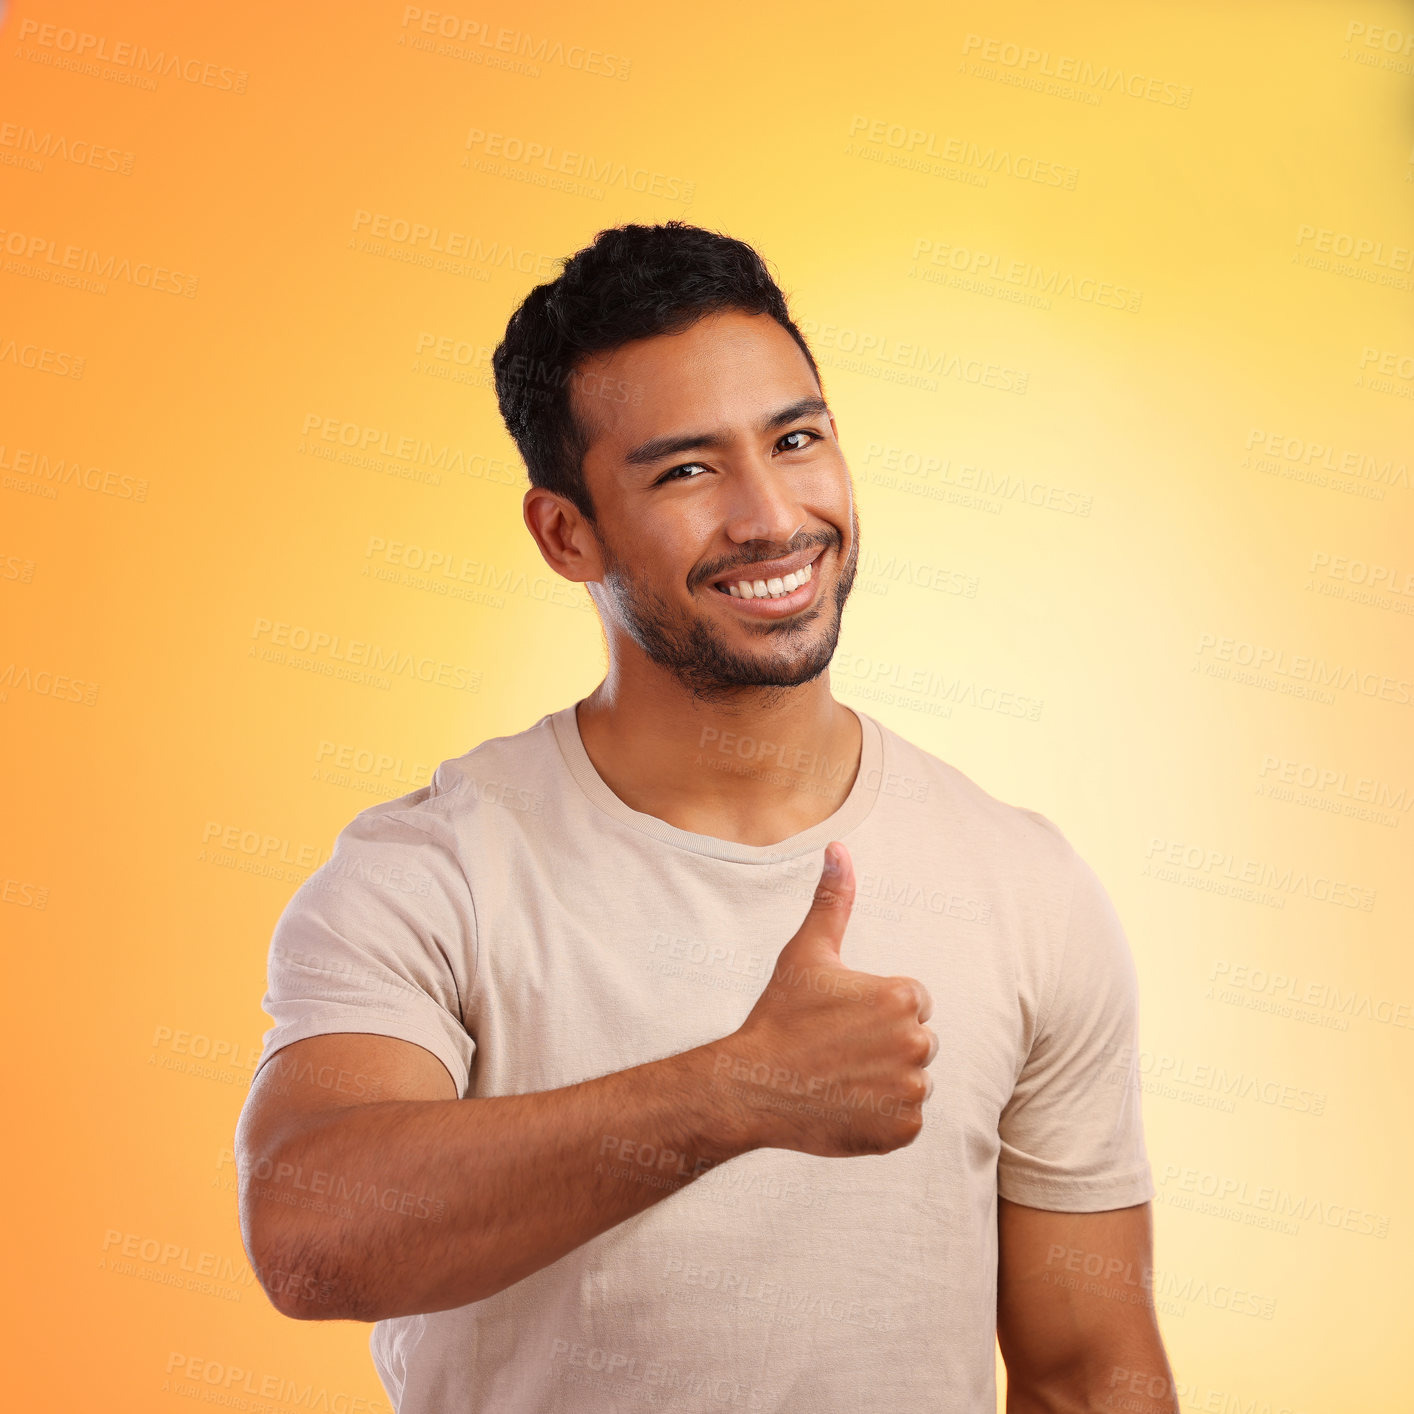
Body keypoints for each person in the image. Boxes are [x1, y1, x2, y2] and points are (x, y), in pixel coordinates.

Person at [235, 221, 1178, 1413]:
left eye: (795, 439)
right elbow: (310, 1237)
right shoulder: (431, 873)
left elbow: (1087, 1374)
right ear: (565, 532)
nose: (771, 516)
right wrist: (734, 1092)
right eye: (686, 470)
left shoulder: (1021, 883)